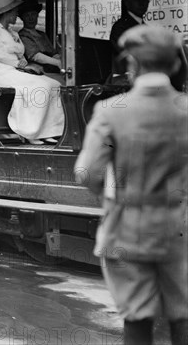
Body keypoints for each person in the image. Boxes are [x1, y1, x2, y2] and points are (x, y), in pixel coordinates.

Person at [75, 26, 187, 345]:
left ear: (133, 66)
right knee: (183, 313)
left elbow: (86, 172)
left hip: (127, 231)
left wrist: (116, 197)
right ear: (175, 65)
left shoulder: (111, 111)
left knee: (137, 317)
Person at [0, 0, 64, 145]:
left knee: (55, 85)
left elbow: (21, 53)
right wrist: (22, 65)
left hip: (18, 70)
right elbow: (1, 54)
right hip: (4, 71)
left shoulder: (12, 32)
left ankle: (48, 131)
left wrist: (26, 65)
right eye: (14, 11)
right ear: (6, 12)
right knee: (42, 86)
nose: (16, 14)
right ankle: (31, 131)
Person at [109, 0, 155, 85]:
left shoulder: (146, 28)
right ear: (127, 2)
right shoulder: (120, 27)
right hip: (124, 82)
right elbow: (130, 55)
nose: (142, 2)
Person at [17, 0, 64, 84]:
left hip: (52, 69)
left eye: (33, 14)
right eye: (27, 15)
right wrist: (57, 62)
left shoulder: (42, 34)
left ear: (37, 15)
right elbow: (35, 56)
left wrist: (59, 59)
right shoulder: (23, 35)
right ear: (22, 18)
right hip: (38, 72)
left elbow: (53, 53)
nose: (31, 18)